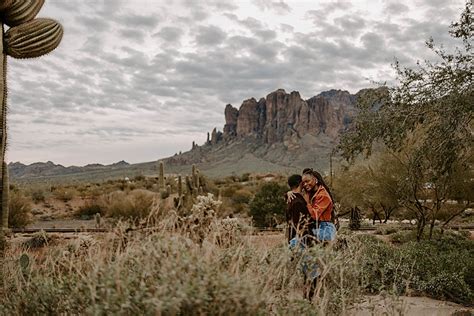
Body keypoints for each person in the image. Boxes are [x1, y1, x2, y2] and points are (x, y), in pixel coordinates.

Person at [301, 168, 337, 242]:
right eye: (303, 183)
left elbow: (315, 215)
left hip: (325, 229)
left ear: (315, 180)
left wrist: (307, 203)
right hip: (316, 228)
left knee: (296, 242)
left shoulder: (323, 195)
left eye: (307, 181)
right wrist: (289, 194)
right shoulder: (311, 194)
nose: (305, 184)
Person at [286, 174, 316, 246]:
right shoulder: (298, 202)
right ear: (300, 183)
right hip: (300, 240)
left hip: (294, 238)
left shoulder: (290, 199)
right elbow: (300, 224)